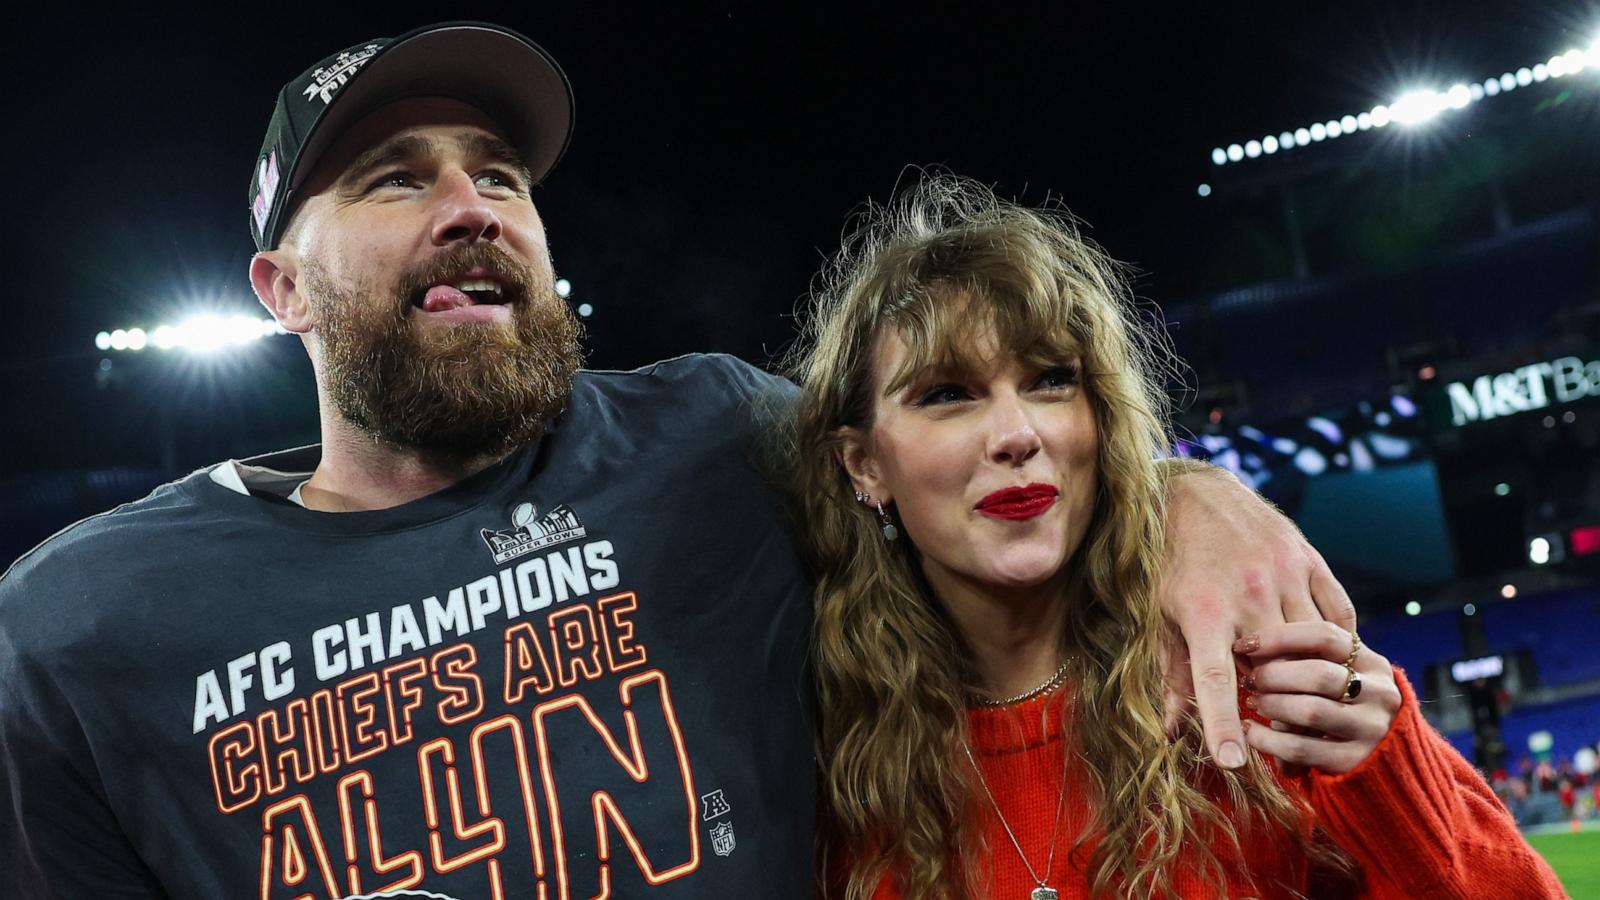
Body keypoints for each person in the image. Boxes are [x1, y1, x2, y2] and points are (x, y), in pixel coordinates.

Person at [2, 22, 1356, 900]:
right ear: (278, 288)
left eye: (503, 177)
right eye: (395, 179)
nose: (473, 204)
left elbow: (979, 457)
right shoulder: (82, 628)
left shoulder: (718, 437)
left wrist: (1188, 492)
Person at [785, 174, 1566, 899]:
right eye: (947, 394)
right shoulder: (816, 762)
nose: (1016, 434)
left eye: (1051, 379)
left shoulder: (1249, 676)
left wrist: (1387, 779)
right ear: (863, 464)